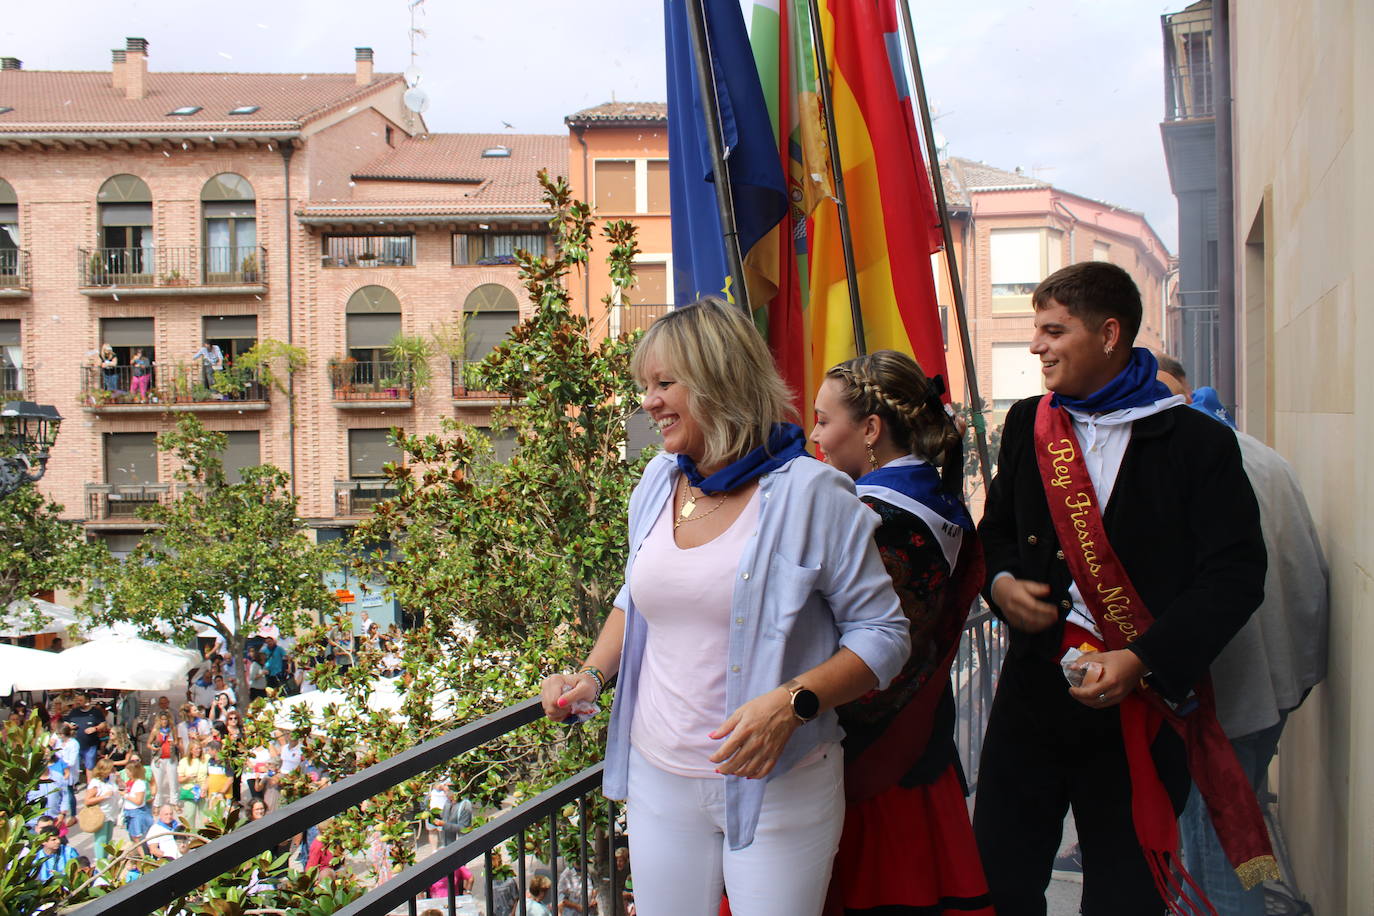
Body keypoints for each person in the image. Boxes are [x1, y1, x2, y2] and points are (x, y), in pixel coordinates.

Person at [538, 298, 910, 916]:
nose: (648, 402)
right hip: (659, 777)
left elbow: (884, 635)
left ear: (720, 379)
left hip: (779, 785)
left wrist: (793, 703)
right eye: (645, 386)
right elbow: (639, 597)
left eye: (664, 383)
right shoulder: (659, 480)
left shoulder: (810, 494)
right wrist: (591, 675)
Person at [973, 261, 1272, 915]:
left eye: (1053, 330)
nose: (1033, 346)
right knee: (1000, 872)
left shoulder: (1195, 442)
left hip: (1140, 703)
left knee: (1126, 890)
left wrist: (1142, 657)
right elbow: (992, 533)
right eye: (1035, 329)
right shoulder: (1028, 424)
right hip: (1033, 695)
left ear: (1109, 335)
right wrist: (1000, 584)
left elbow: (1236, 573)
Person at [809, 351, 994, 916]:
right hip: (916, 741)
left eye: (822, 420)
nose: (813, 435)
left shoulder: (876, 517)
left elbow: (865, 652)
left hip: (875, 760)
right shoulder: (931, 494)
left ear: (869, 429)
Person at [1154, 363, 1331, 916]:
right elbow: (1309, 581)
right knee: (1231, 845)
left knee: (1221, 859)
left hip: (1220, 704)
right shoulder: (1259, 453)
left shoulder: (1183, 466)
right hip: (1269, 691)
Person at [83, 758, 123, 858]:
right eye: (110, 768)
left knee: (108, 840)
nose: (112, 770)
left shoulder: (110, 779)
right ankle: (100, 862)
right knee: (101, 840)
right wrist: (104, 796)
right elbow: (87, 801)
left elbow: (122, 786)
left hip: (111, 813)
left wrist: (118, 778)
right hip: (101, 814)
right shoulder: (95, 783)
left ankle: (106, 860)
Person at [64, 692, 109, 777]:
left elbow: (103, 724)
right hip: (76, 744)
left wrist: (95, 728)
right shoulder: (74, 711)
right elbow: (66, 722)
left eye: (81, 700)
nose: (78, 702)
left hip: (90, 745)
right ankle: (74, 785)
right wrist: (69, 725)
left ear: (88, 701)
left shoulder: (96, 712)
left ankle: (89, 786)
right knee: (74, 766)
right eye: (77, 700)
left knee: (90, 766)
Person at [147, 711, 179, 807]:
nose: (164, 721)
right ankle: (157, 804)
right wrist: (154, 747)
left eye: (165, 719)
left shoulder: (172, 729)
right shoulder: (156, 730)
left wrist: (174, 743)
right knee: (158, 782)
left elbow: (177, 741)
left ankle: (174, 802)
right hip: (159, 758)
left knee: (173, 781)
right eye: (162, 719)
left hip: (171, 758)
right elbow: (148, 744)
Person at [177, 738, 210, 832]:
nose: (198, 751)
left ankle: (206, 833)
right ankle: (190, 835)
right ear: (191, 750)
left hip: (202, 789)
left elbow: (209, 775)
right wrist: (188, 777)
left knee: (205, 814)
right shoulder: (184, 761)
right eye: (196, 749)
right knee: (190, 814)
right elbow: (180, 779)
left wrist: (205, 787)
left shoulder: (206, 759)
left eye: (199, 748)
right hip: (190, 790)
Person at [121, 758, 153, 842]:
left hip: (136, 812)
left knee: (137, 838)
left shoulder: (140, 783)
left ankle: (142, 855)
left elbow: (138, 801)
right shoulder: (130, 781)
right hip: (128, 812)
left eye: (128, 771)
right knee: (132, 836)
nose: (126, 772)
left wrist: (125, 795)